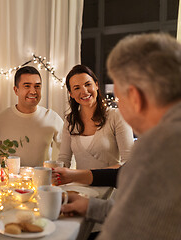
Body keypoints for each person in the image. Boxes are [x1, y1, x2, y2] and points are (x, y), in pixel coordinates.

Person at [62, 33, 181, 239]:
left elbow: (122, 230)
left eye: (119, 95)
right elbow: (140, 211)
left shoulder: (158, 148)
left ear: (134, 97)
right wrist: (90, 206)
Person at [0, 66, 63, 167]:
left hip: (41, 180)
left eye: (37, 86)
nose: (33, 91)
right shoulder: (0, 118)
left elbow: (67, 150)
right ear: (16, 90)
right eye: (27, 86)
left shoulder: (52, 118)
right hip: (9, 180)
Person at [58, 65, 134, 169]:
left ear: (96, 85)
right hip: (76, 184)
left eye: (88, 84)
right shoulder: (70, 121)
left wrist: (88, 176)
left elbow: (129, 162)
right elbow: (64, 160)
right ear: (71, 94)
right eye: (77, 88)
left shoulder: (116, 116)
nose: (84, 91)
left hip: (109, 185)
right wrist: (53, 171)